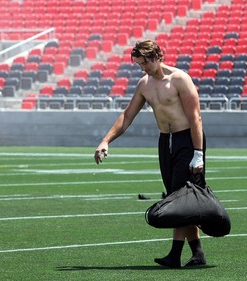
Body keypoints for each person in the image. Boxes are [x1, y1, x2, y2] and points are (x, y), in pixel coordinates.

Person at [94, 40, 207, 268]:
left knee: (178, 198)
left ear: (157, 56)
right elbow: (127, 116)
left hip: (187, 141)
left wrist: (198, 153)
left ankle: (176, 255)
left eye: (144, 62)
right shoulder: (144, 84)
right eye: (138, 64)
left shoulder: (179, 79)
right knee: (177, 196)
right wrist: (106, 141)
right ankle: (197, 254)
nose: (142, 68)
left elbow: (196, 117)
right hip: (166, 142)